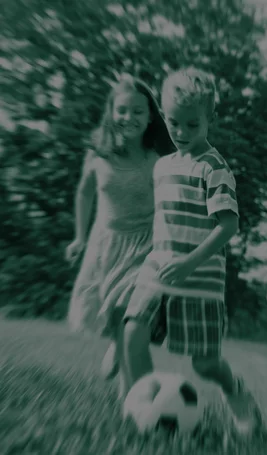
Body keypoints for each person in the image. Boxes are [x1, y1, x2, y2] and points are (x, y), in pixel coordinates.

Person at [121, 67, 260, 435]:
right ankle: (146, 415)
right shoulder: (163, 166)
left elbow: (228, 225)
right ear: (162, 116)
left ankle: (237, 392)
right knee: (133, 333)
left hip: (198, 279)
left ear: (210, 118)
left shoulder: (214, 168)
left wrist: (189, 262)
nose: (181, 133)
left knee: (205, 364)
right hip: (158, 271)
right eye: (173, 122)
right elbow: (163, 222)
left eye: (192, 125)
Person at [66, 75, 175, 398]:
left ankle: (135, 400)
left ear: (151, 115)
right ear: (111, 111)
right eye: (122, 110)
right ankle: (117, 343)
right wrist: (79, 237)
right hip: (107, 244)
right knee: (115, 315)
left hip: (147, 246)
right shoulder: (98, 153)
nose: (129, 118)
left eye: (138, 111)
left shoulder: (159, 155)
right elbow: (85, 194)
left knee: (131, 314)